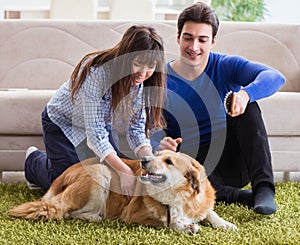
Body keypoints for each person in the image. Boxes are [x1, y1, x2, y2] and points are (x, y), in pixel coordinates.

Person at [151, 2, 285, 215]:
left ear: (213, 41)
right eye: (188, 38)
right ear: (178, 37)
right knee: (180, 169)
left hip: (235, 160)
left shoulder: (225, 65)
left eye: (202, 40)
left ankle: (263, 188)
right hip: (195, 166)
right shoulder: (160, 81)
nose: (194, 47)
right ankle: (241, 197)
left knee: (249, 107)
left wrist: (245, 94)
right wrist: (159, 142)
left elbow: (275, 77)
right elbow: (147, 127)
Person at [25, 25, 166, 197]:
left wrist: (149, 160)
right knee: (68, 185)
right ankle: (33, 161)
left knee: (108, 177)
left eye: (150, 67)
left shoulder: (141, 82)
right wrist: (124, 170)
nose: (143, 73)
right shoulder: (97, 73)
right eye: (137, 64)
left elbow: (135, 129)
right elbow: (95, 134)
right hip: (63, 122)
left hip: (98, 125)